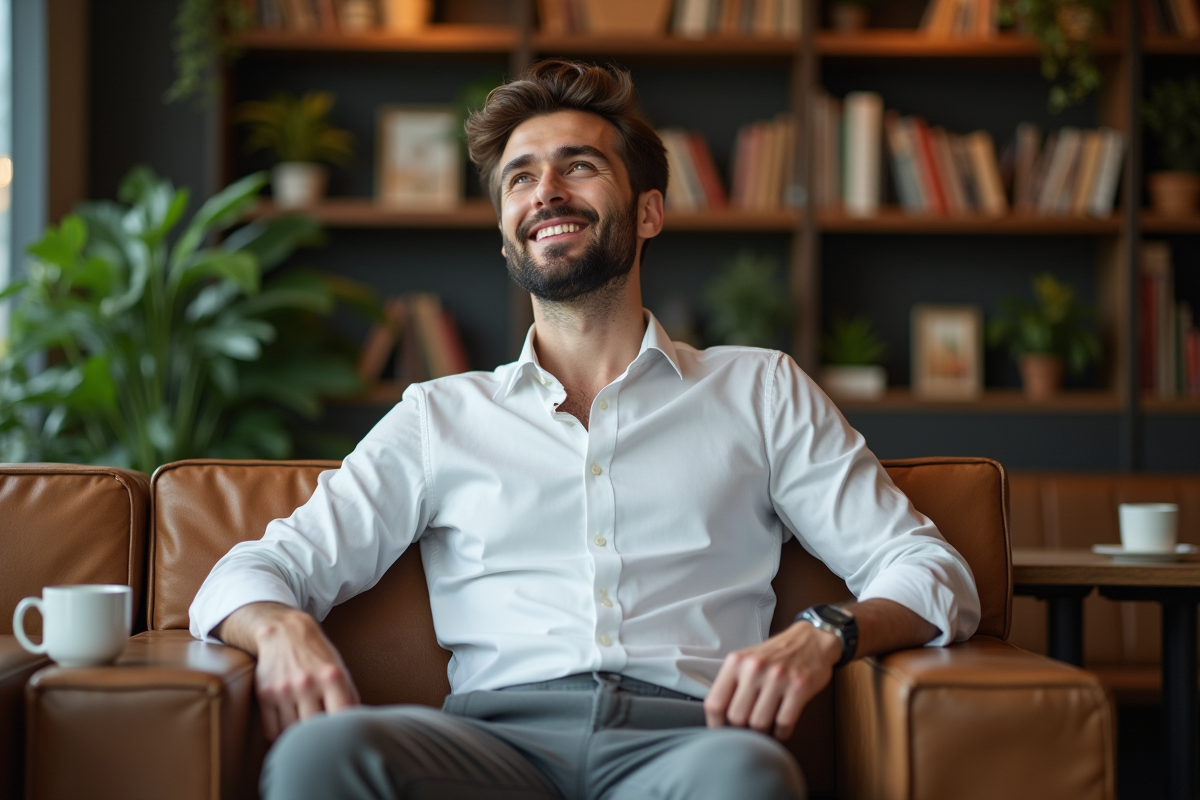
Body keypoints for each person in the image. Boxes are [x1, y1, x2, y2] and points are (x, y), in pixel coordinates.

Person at [189, 59, 980, 800]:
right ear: (505, 232)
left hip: (690, 746)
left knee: (747, 778)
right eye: (521, 178)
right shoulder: (440, 416)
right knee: (318, 758)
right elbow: (253, 569)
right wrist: (282, 626)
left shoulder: (760, 388)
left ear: (649, 212)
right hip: (489, 750)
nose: (547, 192)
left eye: (580, 165)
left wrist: (825, 633)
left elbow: (926, 566)